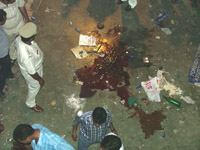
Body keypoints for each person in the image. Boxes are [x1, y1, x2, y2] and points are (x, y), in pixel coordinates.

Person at [15, 22, 44, 112]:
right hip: (33, 71)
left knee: (31, 84)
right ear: (31, 38)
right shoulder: (27, 56)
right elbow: (32, 72)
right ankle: (30, 103)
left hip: (33, 66)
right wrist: (40, 80)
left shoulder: (19, 39)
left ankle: (30, 84)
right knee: (35, 87)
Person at [0, 9, 13, 99]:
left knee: (6, 68)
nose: (6, 20)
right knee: (1, 76)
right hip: (1, 57)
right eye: (4, 19)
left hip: (4, 54)